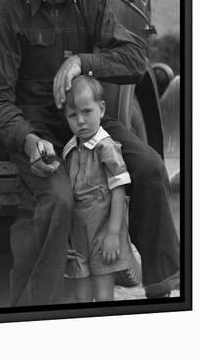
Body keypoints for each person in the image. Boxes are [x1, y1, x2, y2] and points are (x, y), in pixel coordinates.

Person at [0, 0, 179, 306]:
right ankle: (37, 307)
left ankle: (161, 285)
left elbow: (136, 60)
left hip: (88, 122)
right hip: (35, 129)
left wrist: (83, 62)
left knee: (151, 165)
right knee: (58, 199)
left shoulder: (91, 1)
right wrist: (29, 140)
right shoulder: (8, 11)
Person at [63, 75, 136, 302]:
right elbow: (66, 197)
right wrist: (64, 239)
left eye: (87, 111)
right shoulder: (69, 150)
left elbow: (119, 190)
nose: (81, 121)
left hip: (103, 231)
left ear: (101, 109)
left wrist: (113, 234)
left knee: (104, 291)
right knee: (81, 293)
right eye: (73, 115)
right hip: (77, 235)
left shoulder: (107, 147)